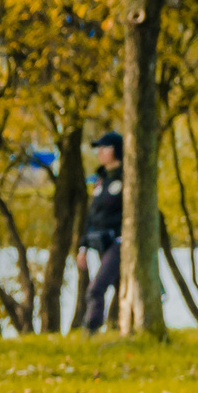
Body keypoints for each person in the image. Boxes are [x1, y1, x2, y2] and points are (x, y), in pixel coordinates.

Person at [81, 130, 124, 334]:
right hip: (101, 243)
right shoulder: (100, 180)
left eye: (104, 148)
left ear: (115, 150)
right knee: (121, 285)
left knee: (96, 288)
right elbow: (91, 216)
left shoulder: (127, 179)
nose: (99, 152)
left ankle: (91, 329)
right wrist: (83, 247)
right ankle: (119, 327)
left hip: (118, 242)